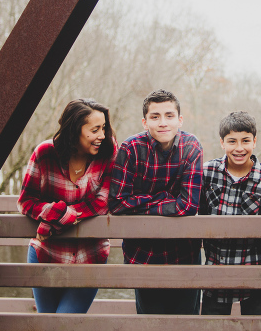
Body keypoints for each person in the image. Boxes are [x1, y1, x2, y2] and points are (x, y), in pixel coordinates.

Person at [17, 98, 117, 314]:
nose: (102, 135)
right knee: (47, 322)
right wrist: (57, 216)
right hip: (45, 252)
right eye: (95, 129)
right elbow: (26, 201)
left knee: (65, 323)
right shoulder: (44, 153)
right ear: (74, 130)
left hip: (90, 256)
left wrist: (55, 223)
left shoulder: (109, 154)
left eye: (104, 128)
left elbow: (102, 203)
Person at [108, 89, 203, 314]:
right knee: (149, 322)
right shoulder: (130, 148)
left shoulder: (191, 147)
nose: (163, 123)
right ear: (144, 122)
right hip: (142, 252)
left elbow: (188, 205)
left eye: (169, 116)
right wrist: (165, 199)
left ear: (180, 120)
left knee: (185, 321)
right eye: (155, 116)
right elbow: (118, 203)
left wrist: (142, 203)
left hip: (184, 254)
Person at [200, 111, 261, 315]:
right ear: (222, 143)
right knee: (213, 325)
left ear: (254, 142)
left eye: (245, 141)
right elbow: (198, 214)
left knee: (256, 323)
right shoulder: (207, 173)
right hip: (216, 266)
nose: (239, 148)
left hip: (257, 269)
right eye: (232, 141)